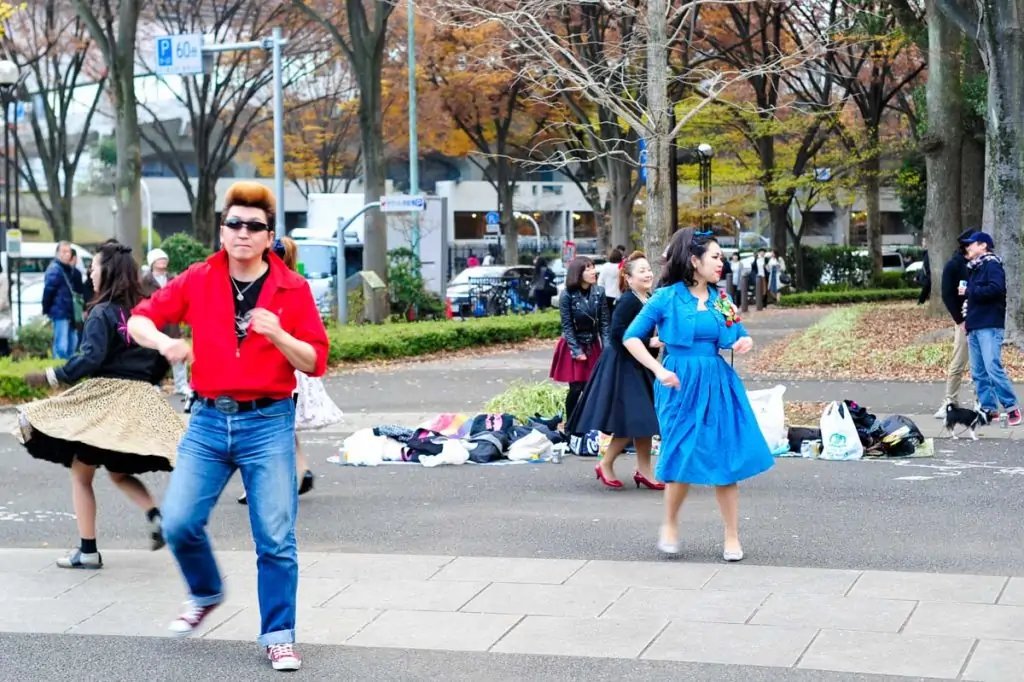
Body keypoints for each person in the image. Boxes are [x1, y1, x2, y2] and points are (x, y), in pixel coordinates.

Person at [128, 181, 329, 672]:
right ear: (222, 231)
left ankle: (279, 634)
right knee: (178, 523)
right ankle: (205, 592)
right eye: (234, 223)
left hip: (268, 422)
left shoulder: (292, 289)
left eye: (254, 226)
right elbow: (138, 319)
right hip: (208, 422)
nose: (243, 232)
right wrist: (165, 343)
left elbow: (315, 360)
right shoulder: (199, 279)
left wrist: (278, 334)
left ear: (268, 237)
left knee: (275, 538)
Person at [17, 241, 183, 569]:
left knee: (81, 474)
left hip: (107, 403)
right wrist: (145, 380)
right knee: (118, 472)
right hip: (140, 399)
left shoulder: (102, 312)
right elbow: (161, 358)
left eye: (93, 268)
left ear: (106, 271)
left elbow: (89, 358)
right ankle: (157, 517)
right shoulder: (145, 312)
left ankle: (88, 551)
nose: (90, 274)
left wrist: (52, 375)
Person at [623, 228, 773, 562]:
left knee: (725, 457)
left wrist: (743, 341)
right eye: (715, 257)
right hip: (679, 383)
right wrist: (658, 370)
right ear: (694, 261)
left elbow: (739, 332)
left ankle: (732, 535)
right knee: (680, 453)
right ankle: (670, 524)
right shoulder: (666, 297)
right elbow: (631, 338)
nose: (721, 263)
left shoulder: (721, 298)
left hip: (717, 381)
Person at [237, 236, 340, 504]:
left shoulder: (270, 288)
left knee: (259, 429)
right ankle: (301, 470)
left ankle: (261, 484)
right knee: (280, 427)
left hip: (275, 370)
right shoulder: (297, 285)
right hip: (297, 369)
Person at [566, 251, 662, 490]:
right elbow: (617, 333)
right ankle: (606, 463)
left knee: (645, 420)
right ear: (628, 278)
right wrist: (649, 342)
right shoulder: (628, 300)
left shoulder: (647, 298)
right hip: (623, 366)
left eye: (648, 270)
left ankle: (644, 471)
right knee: (634, 419)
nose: (648, 274)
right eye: (641, 271)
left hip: (638, 364)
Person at [959, 231, 1021, 426]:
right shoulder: (974, 267)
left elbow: (996, 289)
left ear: (983, 245)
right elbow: (974, 297)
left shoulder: (992, 264)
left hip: (989, 324)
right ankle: (988, 408)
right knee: (978, 371)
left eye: (971, 244)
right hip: (974, 324)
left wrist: (969, 290)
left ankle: (1011, 407)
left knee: (992, 367)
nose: (968, 247)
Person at [550, 255, 609, 429]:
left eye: (593, 267)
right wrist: (576, 351)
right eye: (588, 268)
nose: (593, 271)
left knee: (593, 387)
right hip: (573, 344)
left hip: (593, 344)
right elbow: (567, 326)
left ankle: (590, 425)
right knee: (576, 388)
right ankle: (570, 425)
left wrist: (607, 350)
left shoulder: (599, 292)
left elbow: (605, 324)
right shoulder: (567, 295)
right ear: (578, 273)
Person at [934, 229, 974, 418]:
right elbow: (948, 294)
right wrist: (959, 320)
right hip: (964, 320)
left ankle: (983, 403)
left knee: (982, 365)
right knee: (958, 362)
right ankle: (950, 402)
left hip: (982, 319)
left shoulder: (981, 263)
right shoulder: (954, 266)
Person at [141, 248, 191, 398]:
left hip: (172, 322)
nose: (163, 261)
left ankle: (181, 385)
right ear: (152, 263)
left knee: (178, 354)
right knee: (154, 354)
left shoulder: (173, 279)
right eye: (159, 259)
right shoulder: (145, 281)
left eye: (164, 259)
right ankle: (154, 384)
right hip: (154, 323)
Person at [42, 241, 84, 359]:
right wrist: (46, 309)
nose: (66, 254)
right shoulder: (55, 269)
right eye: (63, 251)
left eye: (68, 252)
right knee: (61, 346)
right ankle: (59, 368)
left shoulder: (69, 269)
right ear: (57, 253)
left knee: (72, 344)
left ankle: (69, 368)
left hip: (70, 312)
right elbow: (48, 291)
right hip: (60, 311)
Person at [917, 240, 932, 305]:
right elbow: (924, 267)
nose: (923, 243)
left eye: (924, 241)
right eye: (923, 241)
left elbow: (926, 267)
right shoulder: (925, 254)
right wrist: (918, 276)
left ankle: (921, 302)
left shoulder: (928, 254)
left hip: (928, 277)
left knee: (926, 287)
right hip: (927, 277)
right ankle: (921, 302)